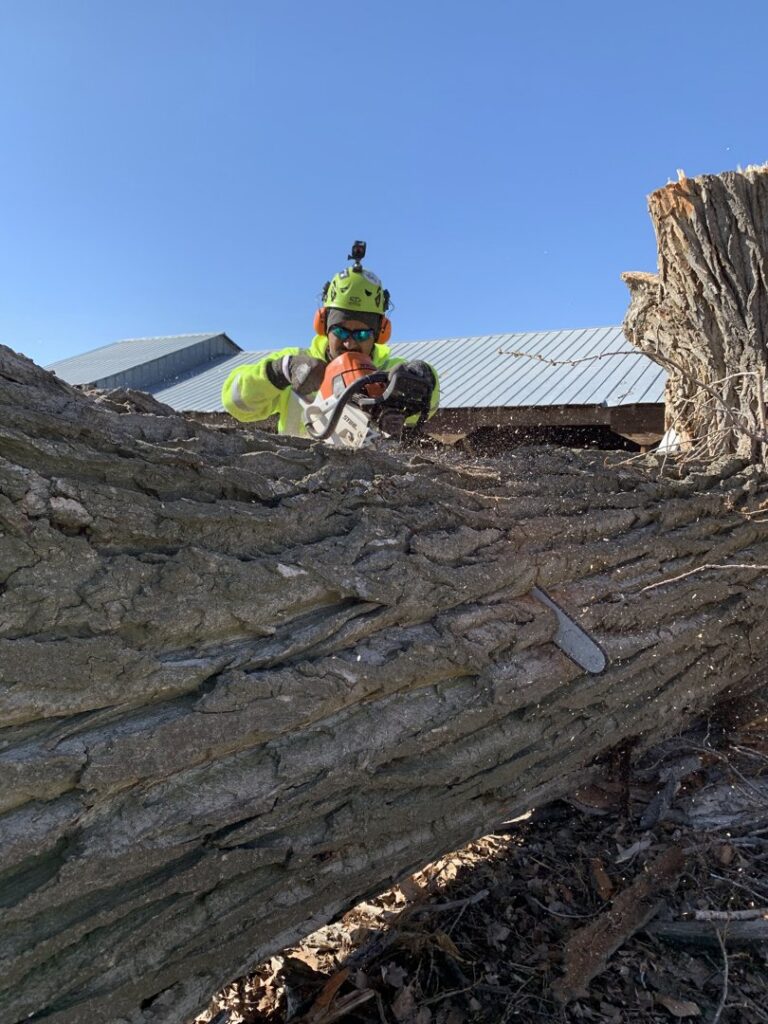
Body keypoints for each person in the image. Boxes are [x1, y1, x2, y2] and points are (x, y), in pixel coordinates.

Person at [221, 242, 439, 438]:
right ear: (323, 326)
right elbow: (236, 403)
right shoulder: (296, 363)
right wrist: (278, 372)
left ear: (380, 333)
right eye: (341, 332)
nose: (350, 343)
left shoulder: (388, 372)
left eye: (362, 334)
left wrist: (423, 379)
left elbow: (431, 405)